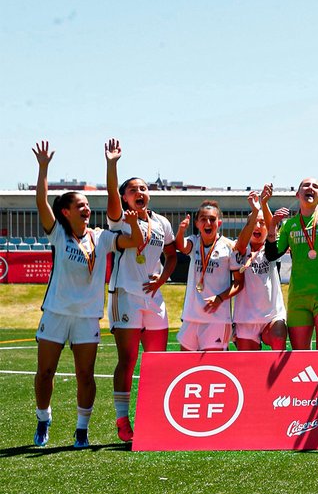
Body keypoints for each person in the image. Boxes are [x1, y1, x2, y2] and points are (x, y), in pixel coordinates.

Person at [32, 141, 143, 448]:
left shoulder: (102, 237)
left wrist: (133, 224)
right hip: (56, 313)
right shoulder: (58, 233)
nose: (86, 207)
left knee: (86, 375)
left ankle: (82, 429)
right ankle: (44, 418)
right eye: (79, 204)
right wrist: (43, 168)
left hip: (87, 317)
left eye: (86, 204)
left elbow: (133, 242)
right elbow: (42, 203)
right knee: (45, 373)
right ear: (66, 212)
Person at [104, 138, 178, 442]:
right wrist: (112, 164)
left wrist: (162, 280)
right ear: (124, 197)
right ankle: (124, 421)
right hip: (126, 295)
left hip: (154, 298)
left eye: (144, 188)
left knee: (158, 361)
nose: (140, 193)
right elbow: (111, 195)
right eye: (133, 189)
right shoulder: (119, 219)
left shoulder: (161, 223)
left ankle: (155, 418)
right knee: (128, 359)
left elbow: (172, 256)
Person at [265, 177, 318, 350]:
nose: (310, 188)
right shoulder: (289, 225)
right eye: (306, 185)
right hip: (298, 297)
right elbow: (271, 255)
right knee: (300, 356)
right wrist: (272, 225)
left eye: (315, 186)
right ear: (297, 194)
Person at [174, 202, 243, 352]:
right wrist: (180, 231)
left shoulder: (229, 246)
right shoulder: (194, 241)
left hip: (217, 319)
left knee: (213, 368)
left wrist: (219, 298)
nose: (208, 223)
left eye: (212, 219)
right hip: (192, 316)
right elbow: (181, 246)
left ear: (219, 223)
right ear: (197, 223)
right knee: (186, 367)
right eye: (203, 219)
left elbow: (239, 283)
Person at [230, 187, 288, 351]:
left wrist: (264, 204)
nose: (257, 226)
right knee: (249, 365)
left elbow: (272, 229)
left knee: (278, 337)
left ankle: (278, 377)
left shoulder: (271, 248)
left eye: (261, 223)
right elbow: (241, 243)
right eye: (254, 221)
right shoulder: (240, 246)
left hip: (272, 316)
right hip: (246, 319)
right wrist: (255, 211)